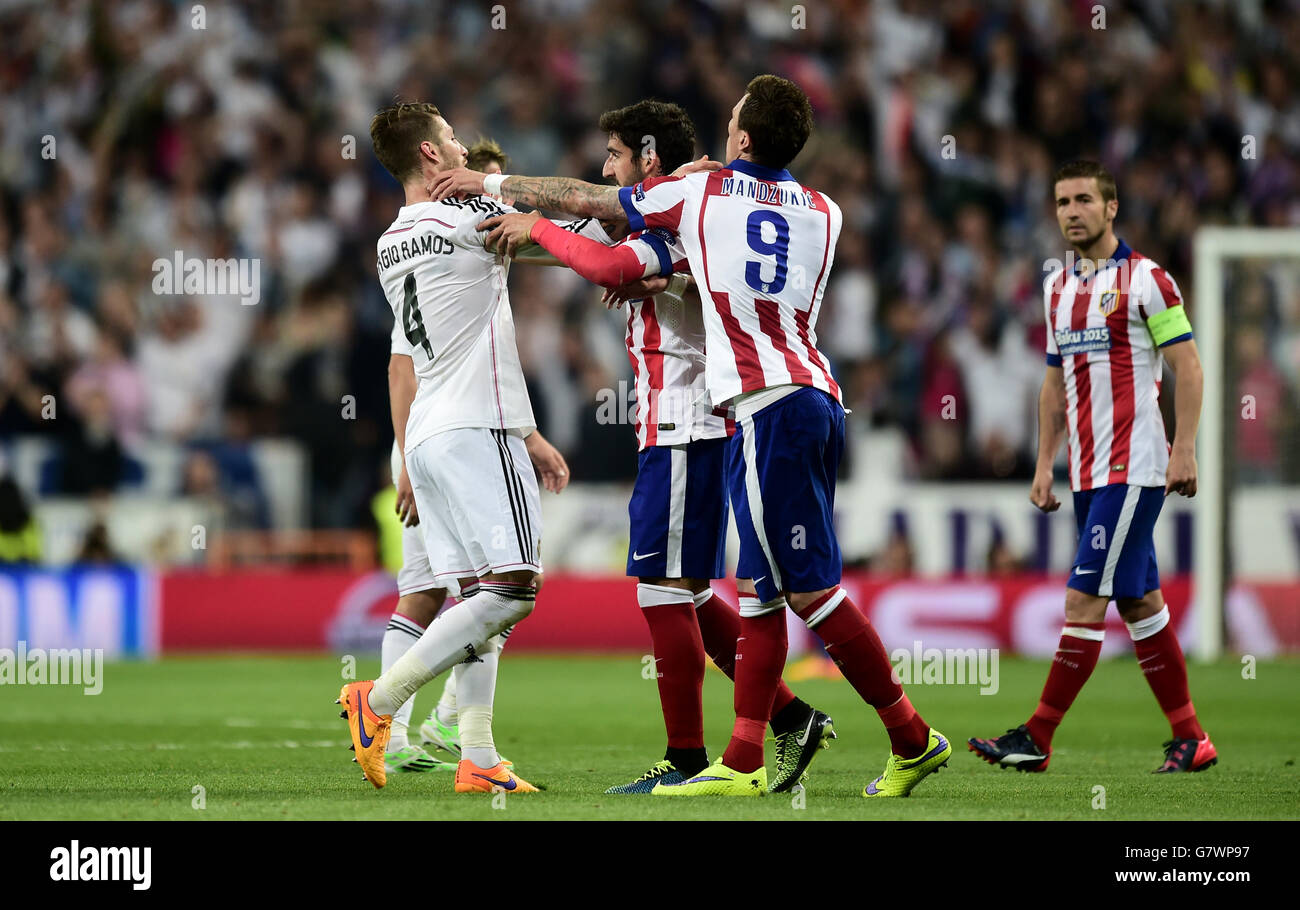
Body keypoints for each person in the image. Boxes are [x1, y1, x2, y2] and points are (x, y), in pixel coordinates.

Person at [432, 75, 951, 798]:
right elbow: (624, 237)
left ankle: (897, 736)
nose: (604, 164)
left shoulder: (695, 204)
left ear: (738, 139)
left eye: (613, 153)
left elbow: (597, 226)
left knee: (777, 592)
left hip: (733, 410)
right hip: (796, 398)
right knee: (754, 593)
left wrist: (510, 199)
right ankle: (756, 750)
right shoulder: (823, 211)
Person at [504, 98, 836, 794]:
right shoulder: (696, 207)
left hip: (690, 419)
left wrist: (521, 218)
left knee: (662, 587)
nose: (605, 170)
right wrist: (507, 236)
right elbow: (587, 254)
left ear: (647, 158)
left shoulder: (679, 215)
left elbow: (602, 264)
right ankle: (789, 717)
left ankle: (687, 756)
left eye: (615, 157)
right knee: (682, 587)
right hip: (687, 421)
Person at [339, 102, 563, 791]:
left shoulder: (391, 241)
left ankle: (478, 756)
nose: (464, 147)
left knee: (474, 598)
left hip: (432, 432)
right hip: (473, 426)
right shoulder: (463, 221)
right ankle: (377, 702)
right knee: (514, 587)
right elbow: (566, 233)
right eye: (452, 138)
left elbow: (407, 358)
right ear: (431, 157)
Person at [968, 159, 1214, 774]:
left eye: (1083, 200)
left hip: (1135, 465)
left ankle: (1038, 736)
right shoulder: (1058, 289)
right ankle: (1191, 738)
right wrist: (1044, 465)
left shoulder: (1148, 281)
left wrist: (1184, 449)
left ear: (1111, 208)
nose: (1071, 211)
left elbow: (1188, 366)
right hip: (1086, 472)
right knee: (1139, 603)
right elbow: (1053, 387)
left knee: (1083, 600)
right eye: (1062, 201)